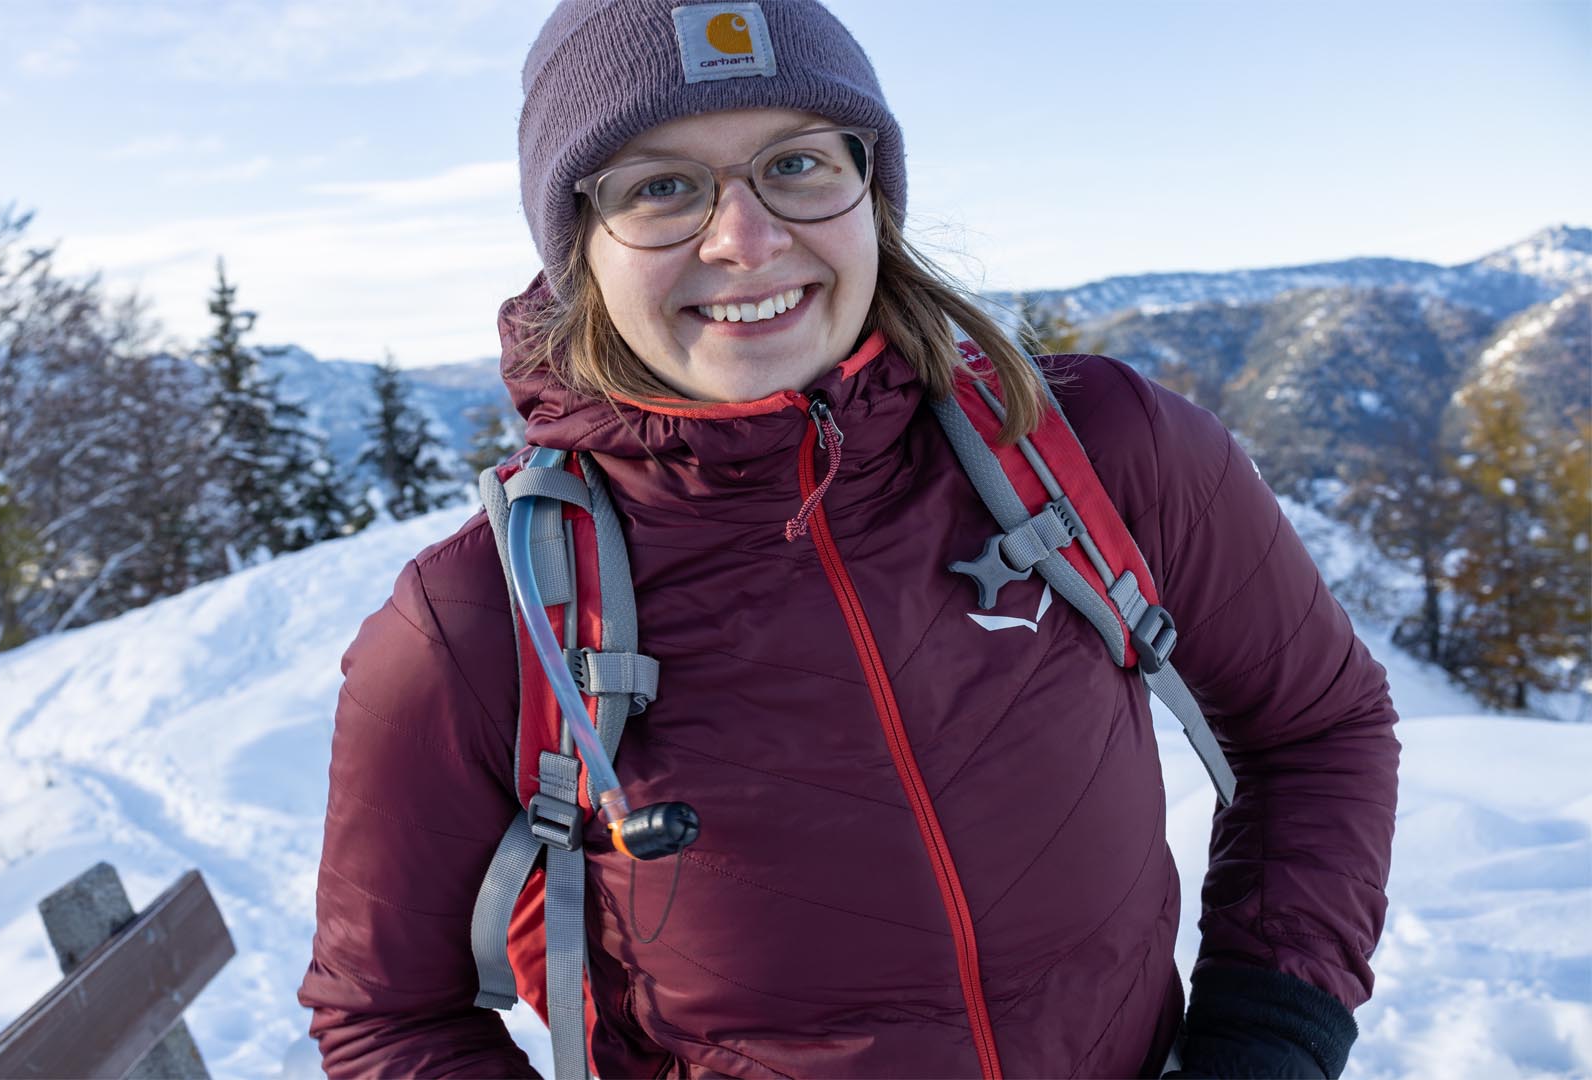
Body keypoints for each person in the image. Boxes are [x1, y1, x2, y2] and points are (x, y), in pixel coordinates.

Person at [297, 1, 1400, 1076]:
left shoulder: (1094, 450)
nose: (748, 239)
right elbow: (388, 1019)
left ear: (872, 188)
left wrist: (1271, 1036)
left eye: (798, 163)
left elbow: (1318, 729)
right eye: (662, 186)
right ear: (578, 244)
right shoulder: (484, 622)